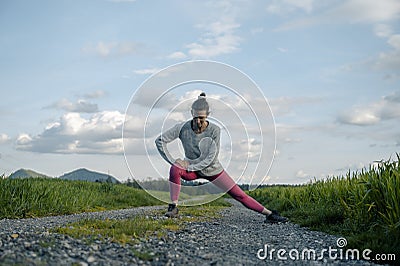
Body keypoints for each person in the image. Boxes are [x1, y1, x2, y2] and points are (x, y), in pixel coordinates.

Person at [155, 92, 288, 223]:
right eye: (195, 117)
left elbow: (211, 158)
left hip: (213, 170)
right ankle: (173, 207)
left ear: (208, 115)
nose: (198, 121)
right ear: (191, 113)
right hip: (192, 171)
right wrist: (174, 161)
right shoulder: (182, 128)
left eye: (201, 118)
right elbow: (160, 141)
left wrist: (190, 167)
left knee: (239, 195)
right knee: (175, 168)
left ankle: (270, 214)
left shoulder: (215, 130)